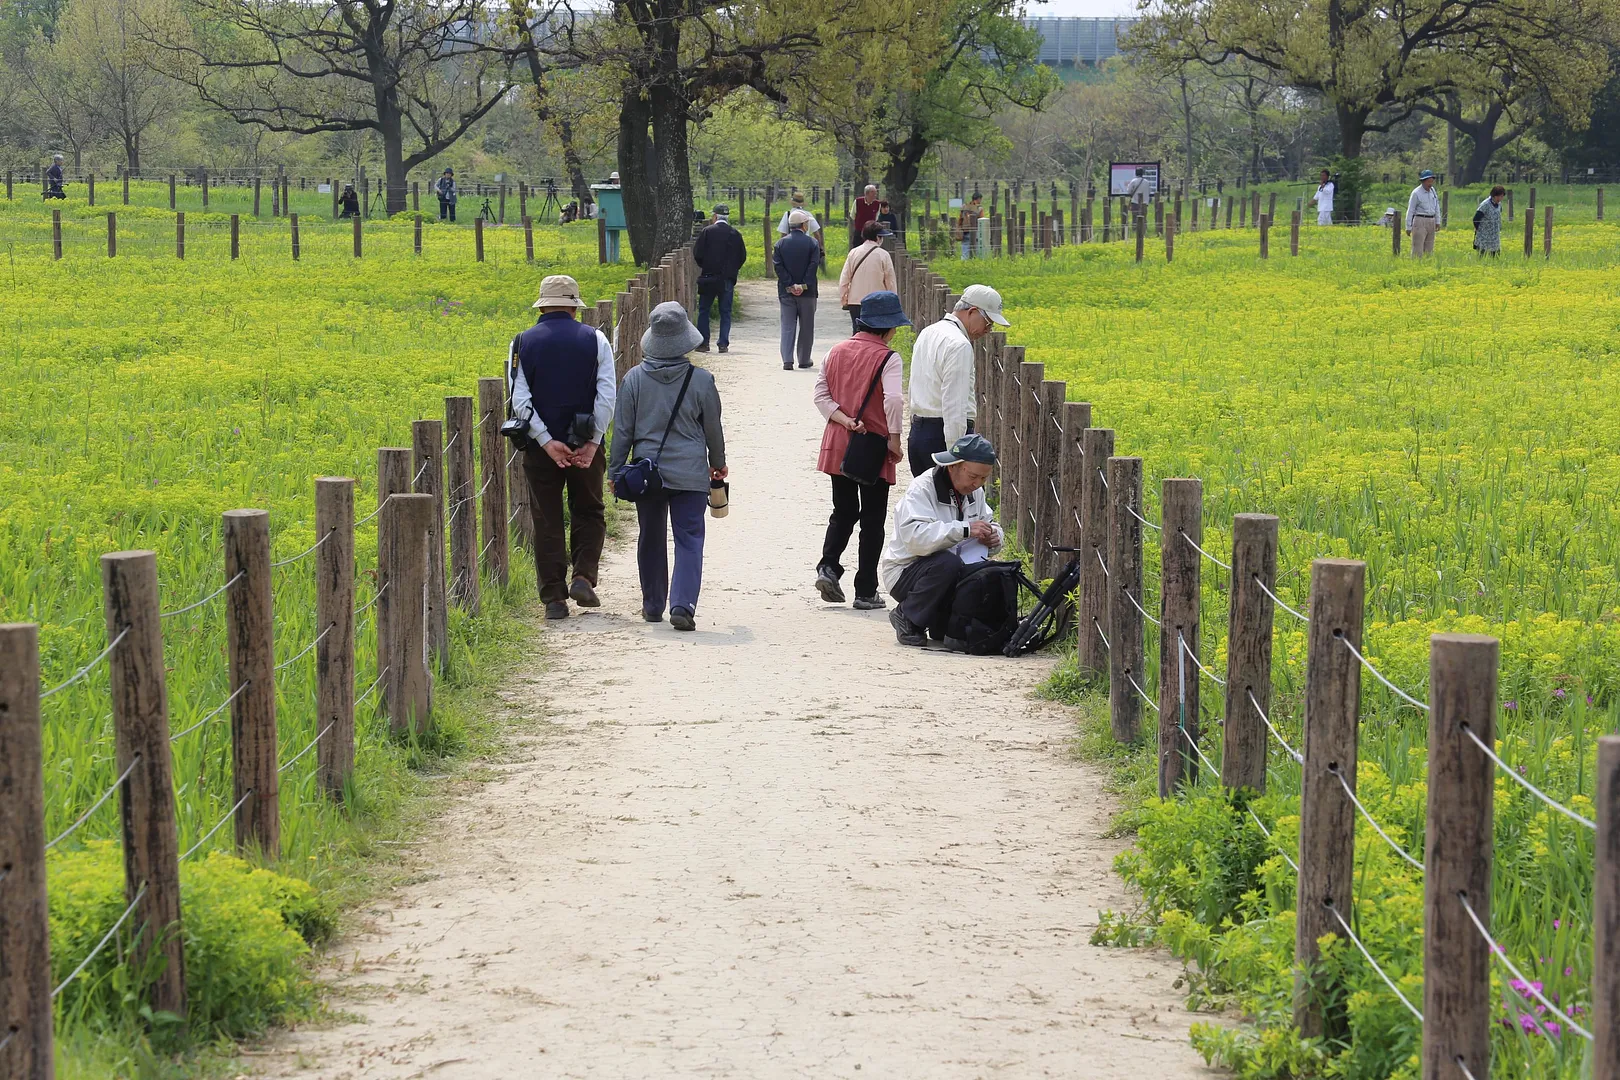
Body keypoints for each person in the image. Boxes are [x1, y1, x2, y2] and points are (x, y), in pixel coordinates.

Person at [610, 302, 728, 632]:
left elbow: (622, 431)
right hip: (690, 474)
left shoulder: (633, 379)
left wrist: (615, 470)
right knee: (689, 538)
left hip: (647, 475)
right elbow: (713, 430)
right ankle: (683, 604)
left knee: (650, 536)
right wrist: (717, 464)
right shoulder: (702, 380)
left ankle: (652, 604)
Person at [512, 275, 616, 621]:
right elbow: (606, 395)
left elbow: (520, 399)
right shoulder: (596, 340)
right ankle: (584, 576)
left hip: (541, 450)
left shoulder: (522, 342)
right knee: (589, 509)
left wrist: (546, 441)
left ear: (542, 305)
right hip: (586, 442)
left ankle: (554, 599)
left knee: (547, 518)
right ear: (574, 306)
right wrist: (593, 441)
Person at [813, 291, 910, 610]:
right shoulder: (889, 358)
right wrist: (894, 438)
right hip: (872, 446)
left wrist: (845, 419)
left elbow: (821, 396)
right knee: (872, 519)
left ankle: (828, 566)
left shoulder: (835, 351)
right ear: (887, 328)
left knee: (842, 511)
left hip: (839, 441)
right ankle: (866, 590)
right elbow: (893, 400)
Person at [879, 434, 1004, 648]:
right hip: (905, 572)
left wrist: (994, 537)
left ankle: (939, 621)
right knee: (947, 562)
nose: (977, 484)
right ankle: (906, 616)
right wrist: (965, 530)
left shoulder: (976, 492)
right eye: (973, 476)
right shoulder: (922, 489)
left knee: (986, 573)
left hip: (951, 572)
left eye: (984, 479)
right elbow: (916, 540)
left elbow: (989, 524)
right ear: (953, 466)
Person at [905, 284, 1008, 477]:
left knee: (926, 502)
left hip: (919, 433)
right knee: (949, 505)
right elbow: (954, 404)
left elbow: (914, 385)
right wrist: (958, 455)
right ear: (972, 311)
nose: (988, 329)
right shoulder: (959, 345)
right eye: (988, 322)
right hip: (943, 437)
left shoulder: (928, 332)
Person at [693, 203, 747, 354]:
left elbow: (698, 253)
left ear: (715, 216)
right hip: (727, 279)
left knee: (704, 310)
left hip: (708, 277)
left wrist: (705, 266)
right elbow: (742, 256)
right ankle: (723, 343)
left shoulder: (707, 232)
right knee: (725, 312)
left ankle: (704, 343)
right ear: (727, 217)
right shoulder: (735, 234)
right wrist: (732, 270)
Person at [774, 209, 821, 371]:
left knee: (787, 325)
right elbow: (813, 265)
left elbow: (778, 267)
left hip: (786, 291)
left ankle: (787, 360)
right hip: (808, 293)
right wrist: (803, 285)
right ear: (803, 224)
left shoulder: (780, 244)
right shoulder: (812, 243)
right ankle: (804, 359)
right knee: (807, 326)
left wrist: (790, 284)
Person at [837, 221, 897, 333]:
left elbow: (844, 279)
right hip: (877, 301)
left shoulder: (853, 253)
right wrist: (892, 302)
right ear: (877, 238)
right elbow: (890, 282)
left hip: (855, 301)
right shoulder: (883, 255)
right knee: (876, 333)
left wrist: (844, 298)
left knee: (858, 332)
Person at [1406, 169, 1441, 256]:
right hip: (1420, 220)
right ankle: (1416, 265)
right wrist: (1408, 226)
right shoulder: (1416, 193)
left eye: (1431, 181)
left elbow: (1436, 206)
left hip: (1431, 220)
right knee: (1418, 247)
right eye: (1428, 181)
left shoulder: (1433, 191)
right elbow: (1410, 210)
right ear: (1423, 181)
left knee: (1429, 247)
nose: (1430, 184)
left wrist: (1437, 221)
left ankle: (1427, 265)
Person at [1473, 185, 1506, 256]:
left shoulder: (1499, 204)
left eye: (1502, 196)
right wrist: (1481, 230)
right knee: (1483, 255)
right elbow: (1476, 219)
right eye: (1498, 196)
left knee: (1495, 257)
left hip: (1495, 236)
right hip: (1484, 237)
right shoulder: (1485, 205)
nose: (1500, 198)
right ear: (1494, 195)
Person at [958, 192, 983, 259]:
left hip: (965, 231)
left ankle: (963, 264)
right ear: (979, 199)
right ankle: (974, 264)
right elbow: (981, 221)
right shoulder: (979, 208)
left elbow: (960, 219)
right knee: (976, 250)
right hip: (975, 231)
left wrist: (960, 228)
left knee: (965, 250)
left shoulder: (964, 206)